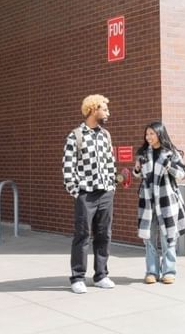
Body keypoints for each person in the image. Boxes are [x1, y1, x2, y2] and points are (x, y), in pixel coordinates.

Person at [63, 94, 116, 294]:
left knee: (104, 235)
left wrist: (112, 186)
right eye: (105, 109)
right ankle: (77, 277)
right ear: (93, 109)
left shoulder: (105, 135)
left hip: (105, 194)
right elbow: (68, 168)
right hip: (86, 194)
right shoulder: (75, 136)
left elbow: (111, 163)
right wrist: (76, 191)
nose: (108, 113)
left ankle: (101, 275)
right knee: (82, 235)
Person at [133, 121, 185, 284]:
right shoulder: (143, 153)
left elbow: (183, 173)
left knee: (168, 237)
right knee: (149, 238)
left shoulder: (171, 153)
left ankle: (169, 271)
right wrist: (136, 170)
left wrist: (169, 167)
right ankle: (151, 271)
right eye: (147, 134)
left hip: (166, 201)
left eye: (152, 133)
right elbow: (139, 175)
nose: (148, 137)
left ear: (159, 134)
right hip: (148, 202)